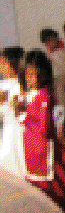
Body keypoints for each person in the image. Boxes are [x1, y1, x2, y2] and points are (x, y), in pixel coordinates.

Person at [16, 50, 65, 213]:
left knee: (57, 188)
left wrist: (22, 115)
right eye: (29, 75)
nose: (34, 79)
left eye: (38, 75)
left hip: (45, 153)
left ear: (46, 73)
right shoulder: (31, 94)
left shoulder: (46, 96)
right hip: (34, 150)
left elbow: (44, 129)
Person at [0, 47, 25, 177]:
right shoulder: (3, 84)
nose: (1, 67)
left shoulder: (23, 84)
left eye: (4, 63)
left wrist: (15, 104)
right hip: (8, 131)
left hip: (21, 131)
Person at [39, 28, 65, 109]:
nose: (50, 43)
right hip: (58, 77)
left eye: (51, 39)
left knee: (60, 88)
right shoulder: (48, 53)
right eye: (47, 42)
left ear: (56, 37)